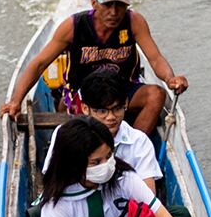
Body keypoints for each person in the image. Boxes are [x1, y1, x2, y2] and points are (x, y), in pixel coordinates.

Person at [0, 0, 187, 135]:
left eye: (120, 5)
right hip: (83, 94)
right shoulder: (73, 27)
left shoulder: (134, 22)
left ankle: (132, 149)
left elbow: (155, 59)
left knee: (156, 95)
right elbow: (39, 63)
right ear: (94, 3)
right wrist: (16, 101)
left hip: (122, 90)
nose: (114, 12)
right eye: (107, 5)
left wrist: (170, 79)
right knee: (76, 114)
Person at [37, 116, 181, 217]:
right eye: (96, 162)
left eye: (109, 156)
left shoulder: (123, 178)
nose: (106, 165)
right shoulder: (57, 203)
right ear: (74, 164)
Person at [41, 65, 161, 198]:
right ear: (85, 108)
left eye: (117, 109)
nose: (111, 117)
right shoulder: (65, 134)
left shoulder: (139, 141)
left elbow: (149, 196)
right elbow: (52, 182)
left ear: (126, 103)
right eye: (102, 111)